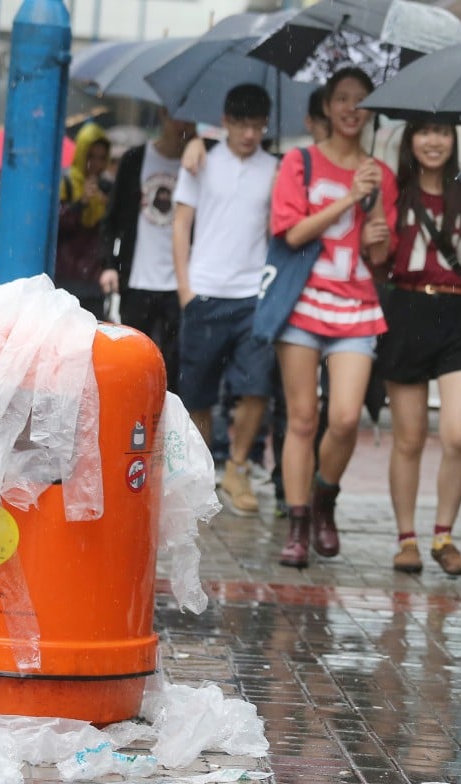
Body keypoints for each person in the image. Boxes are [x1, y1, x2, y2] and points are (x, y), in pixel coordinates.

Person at [270, 66, 397, 568]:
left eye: (361, 100)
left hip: (357, 304)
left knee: (345, 418)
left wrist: (377, 227)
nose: (351, 109)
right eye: (342, 98)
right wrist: (349, 196)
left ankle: (325, 500)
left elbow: (381, 257)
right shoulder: (299, 162)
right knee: (303, 419)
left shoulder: (381, 174)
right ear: (327, 105)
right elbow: (291, 234)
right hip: (301, 302)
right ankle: (299, 524)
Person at [378, 118, 461, 576]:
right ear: (411, 140)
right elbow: (378, 258)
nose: (434, 141)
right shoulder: (392, 194)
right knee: (408, 439)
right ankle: (406, 538)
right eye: (424, 132)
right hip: (405, 313)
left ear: (453, 140)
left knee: (457, 433)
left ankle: (444, 535)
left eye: (443, 132)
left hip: (460, 315)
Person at [171, 84, 278, 517]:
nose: (249, 134)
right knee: (197, 393)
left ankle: (236, 468)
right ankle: (201, 474)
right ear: (226, 121)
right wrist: (185, 291)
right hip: (205, 291)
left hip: (254, 295)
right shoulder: (200, 160)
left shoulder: (276, 168)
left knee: (256, 388)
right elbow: (180, 225)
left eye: (257, 126)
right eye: (241, 124)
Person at [100, 108, 197, 394]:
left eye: (190, 117)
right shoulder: (135, 159)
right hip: (138, 278)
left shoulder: (197, 163)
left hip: (181, 283)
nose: (185, 124)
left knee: (174, 367)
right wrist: (108, 264)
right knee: (135, 360)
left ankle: (166, 429)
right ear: (164, 114)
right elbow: (113, 218)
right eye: (180, 115)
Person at [56, 122, 111, 320]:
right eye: (90, 157)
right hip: (66, 277)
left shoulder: (106, 187)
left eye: (101, 158)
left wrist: (106, 207)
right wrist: (82, 204)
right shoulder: (68, 184)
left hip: (92, 280)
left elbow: (109, 233)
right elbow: (59, 225)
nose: (95, 164)